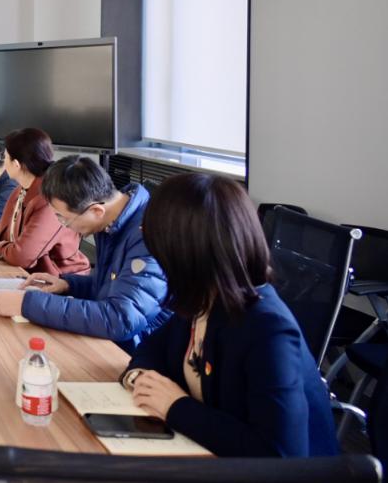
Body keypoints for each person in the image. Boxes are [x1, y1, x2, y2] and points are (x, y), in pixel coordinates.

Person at [122, 173, 339, 457]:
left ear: (184, 250)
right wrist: (141, 377)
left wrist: (175, 407)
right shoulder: (202, 298)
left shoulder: (268, 329)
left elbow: (279, 455)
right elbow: (152, 348)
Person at [0, 155, 169, 352]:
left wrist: (27, 305)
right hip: (115, 341)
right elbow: (112, 286)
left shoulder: (148, 236)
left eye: (64, 218)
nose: (63, 225)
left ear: (97, 211)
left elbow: (121, 319)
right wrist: (69, 285)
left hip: (142, 352)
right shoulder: (112, 221)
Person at [0, 128, 89, 276]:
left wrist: (2, 247)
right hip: (25, 273)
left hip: (59, 279)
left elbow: (22, 256)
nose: (2, 162)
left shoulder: (49, 199)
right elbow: (3, 227)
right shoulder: (21, 189)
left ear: (16, 164)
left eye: (5, 156)